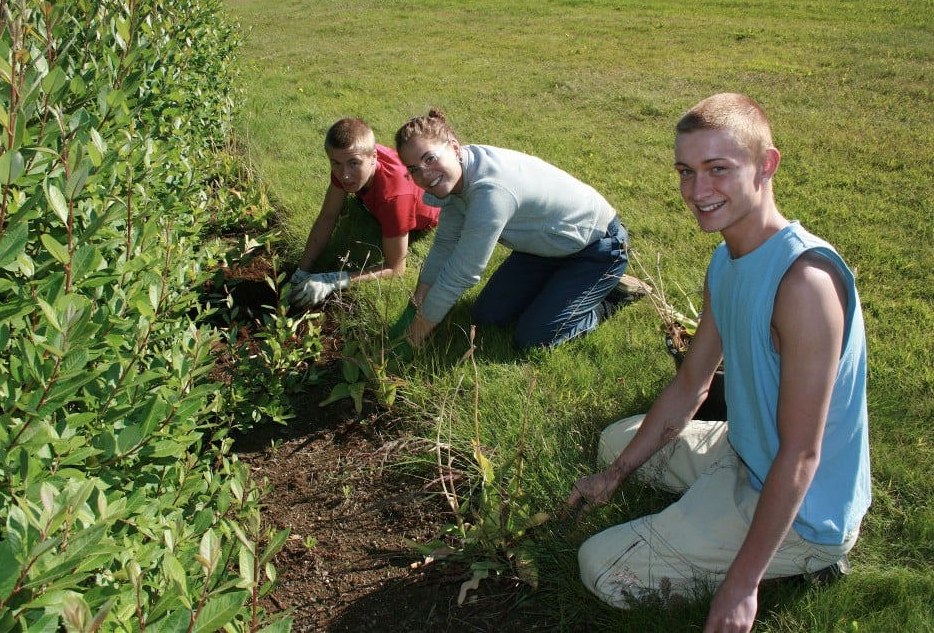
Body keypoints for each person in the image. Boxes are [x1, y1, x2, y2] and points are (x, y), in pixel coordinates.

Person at [567, 93, 871, 632]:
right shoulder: (728, 256)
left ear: (766, 165)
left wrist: (740, 586)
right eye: (686, 171)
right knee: (616, 444)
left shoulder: (804, 285)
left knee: (601, 567)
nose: (697, 191)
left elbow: (802, 455)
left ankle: (804, 559)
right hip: (747, 449)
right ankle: (709, 512)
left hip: (806, 506)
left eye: (718, 170)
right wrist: (615, 476)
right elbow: (691, 384)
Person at [394, 108, 648, 350]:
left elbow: (462, 273)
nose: (425, 174)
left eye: (430, 158)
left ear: (454, 147)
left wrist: (416, 335)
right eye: (414, 169)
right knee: (487, 315)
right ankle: (563, 286)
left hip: (597, 246)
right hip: (544, 248)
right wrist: (415, 307)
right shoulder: (456, 177)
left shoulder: (490, 191)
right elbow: (445, 245)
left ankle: (608, 297)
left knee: (534, 337)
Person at [289, 118, 440, 307]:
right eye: (335, 163)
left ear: (374, 157)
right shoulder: (348, 162)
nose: (344, 175)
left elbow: (396, 268)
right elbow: (328, 217)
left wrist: (333, 280)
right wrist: (302, 272)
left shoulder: (394, 198)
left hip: (421, 216)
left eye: (354, 163)